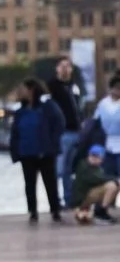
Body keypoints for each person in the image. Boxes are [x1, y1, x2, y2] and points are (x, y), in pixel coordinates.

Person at [9, 79, 66, 224]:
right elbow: (15, 132)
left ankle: (55, 210)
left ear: (32, 90)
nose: (21, 92)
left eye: (23, 89)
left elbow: (59, 124)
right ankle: (32, 211)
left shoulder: (48, 106)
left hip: (45, 152)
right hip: (26, 152)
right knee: (29, 183)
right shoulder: (20, 111)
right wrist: (15, 151)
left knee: (50, 182)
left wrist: (51, 143)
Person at [48, 57, 87, 209]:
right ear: (57, 68)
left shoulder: (74, 86)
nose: (65, 69)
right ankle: (55, 201)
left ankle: (69, 199)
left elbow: (79, 107)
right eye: (62, 66)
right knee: (59, 169)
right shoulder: (52, 86)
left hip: (76, 131)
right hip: (62, 133)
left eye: (68, 66)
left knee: (69, 170)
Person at [71, 145, 118, 225]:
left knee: (114, 185)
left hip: (89, 195)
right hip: (81, 198)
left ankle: (97, 210)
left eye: (97, 156)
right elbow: (97, 179)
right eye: (92, 155)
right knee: (111, 186)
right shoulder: (83, 165)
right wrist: (115, 179)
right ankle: (100, 213)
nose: (94, 158)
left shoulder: (98, 168)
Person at [96, 75, 120, 180]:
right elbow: (96, 121)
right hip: (106, 146)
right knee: (108, 178)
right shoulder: (103, 104)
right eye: (116, 87)